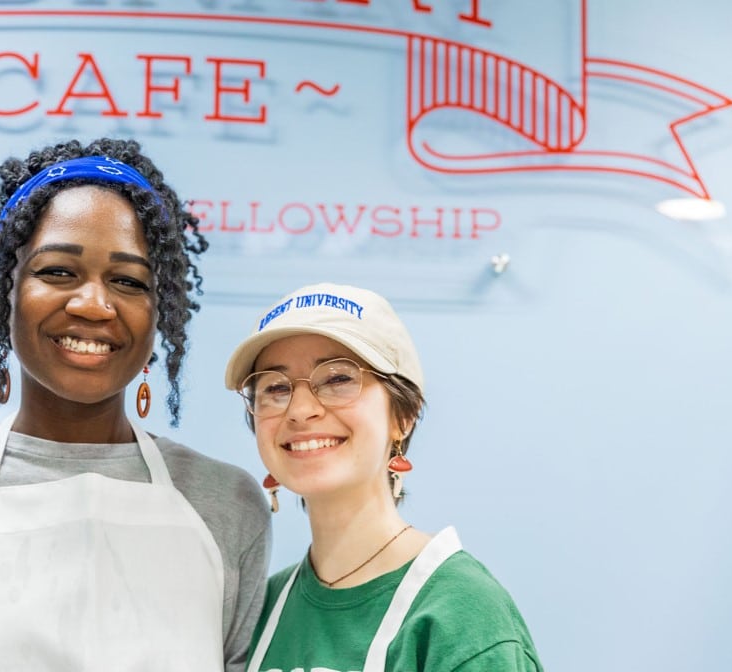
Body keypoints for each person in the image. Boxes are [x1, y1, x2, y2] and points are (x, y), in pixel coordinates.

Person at [0, 138, 271, 671]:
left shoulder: (226, 503)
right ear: (6, 291)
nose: (93, 305)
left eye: (128, 281)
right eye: (58, 272)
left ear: (160, 311)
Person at [224, 282, 543, 672]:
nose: (300, 409)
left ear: (403, 416)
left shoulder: (461, 615)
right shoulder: (262, 608)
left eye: (338, 379)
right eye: (275, 387)